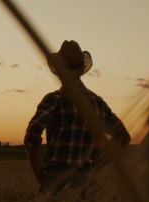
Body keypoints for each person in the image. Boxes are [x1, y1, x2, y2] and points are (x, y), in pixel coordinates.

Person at [24, 40, 131, 192]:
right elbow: (123, 137)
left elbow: (33, 131)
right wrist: (94, 168)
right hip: (87, 181)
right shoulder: (98, 103)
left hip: (56, 180)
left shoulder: (55, 99)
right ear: (82, 69)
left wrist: (37, 168)